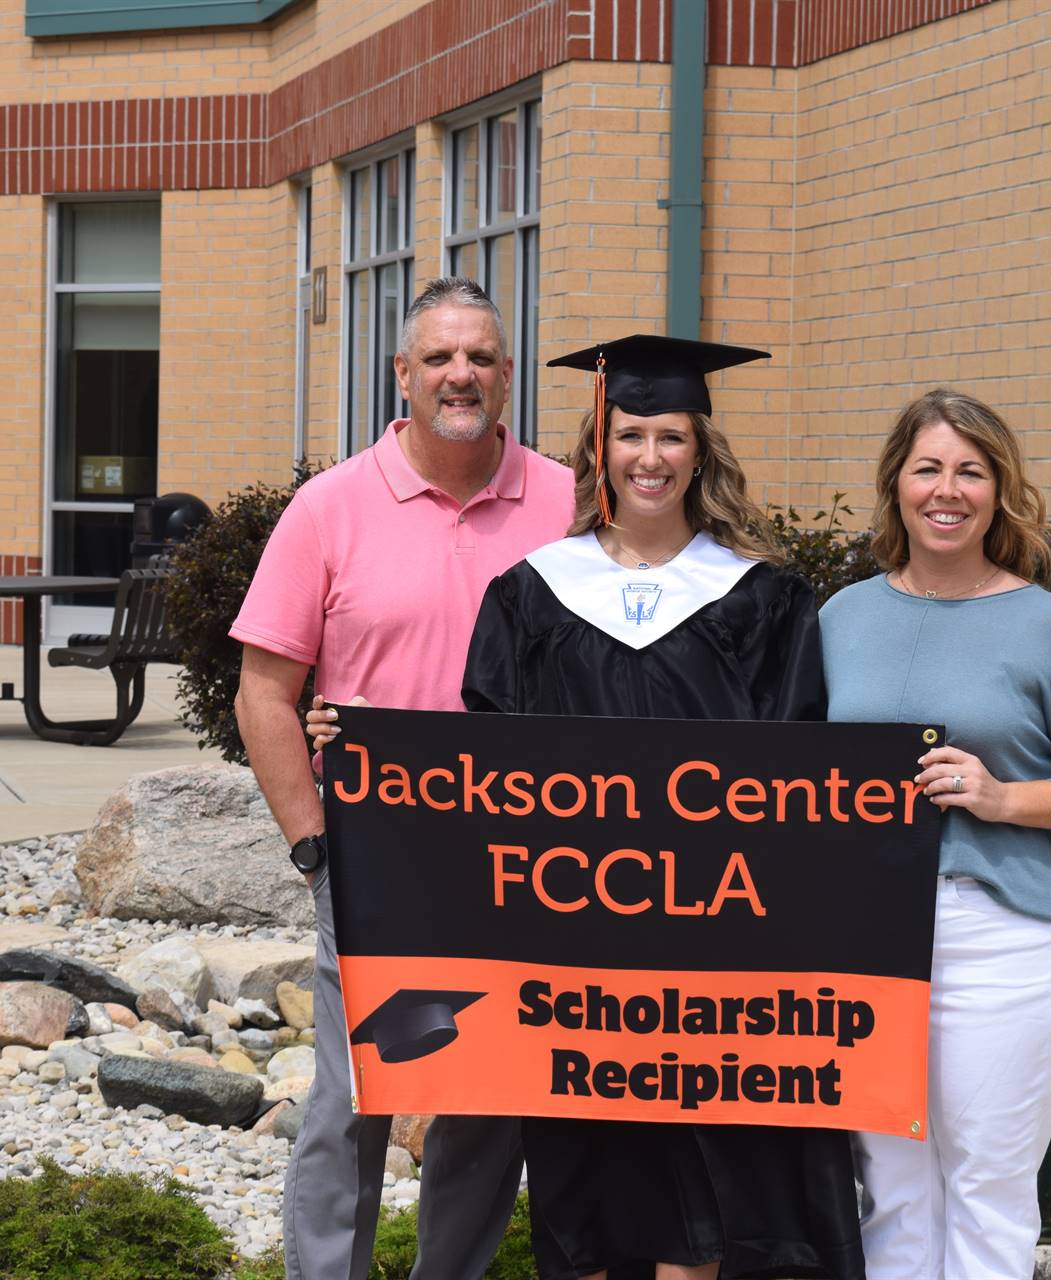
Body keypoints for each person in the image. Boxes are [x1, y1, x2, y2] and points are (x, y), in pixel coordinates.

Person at [458, 334, 865, 1280]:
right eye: (630, 433)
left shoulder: (766, 600)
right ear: (597, 449)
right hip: (573, 960)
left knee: (715, 1196)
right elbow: (481, 773)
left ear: (701, 450)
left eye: (671, 436)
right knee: (583, 1182)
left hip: (719, 962)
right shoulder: (530, 596)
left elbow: (802, 773)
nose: (649, 457)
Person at [231, 276, 574, 1280]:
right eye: (439, 357)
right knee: (354, 1094)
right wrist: (311, 840)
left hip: (524, 855)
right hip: (376, 852)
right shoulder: (330, 508)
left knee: (488, 1095)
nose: (459, 374)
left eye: (479, 357)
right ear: (403, 374)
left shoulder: (565, 503)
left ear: (506, 376)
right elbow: (265, 691)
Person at [818, 388, 1051, 1279]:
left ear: (1001, 491)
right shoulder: (842, 619)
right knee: (888, 1192)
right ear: (896, 486)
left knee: (987, 1194)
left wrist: (1004, 798)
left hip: (996, 938)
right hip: (866, 939)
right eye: (928, 468)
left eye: (971, 471)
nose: (947, 490)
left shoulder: (1049, 627)